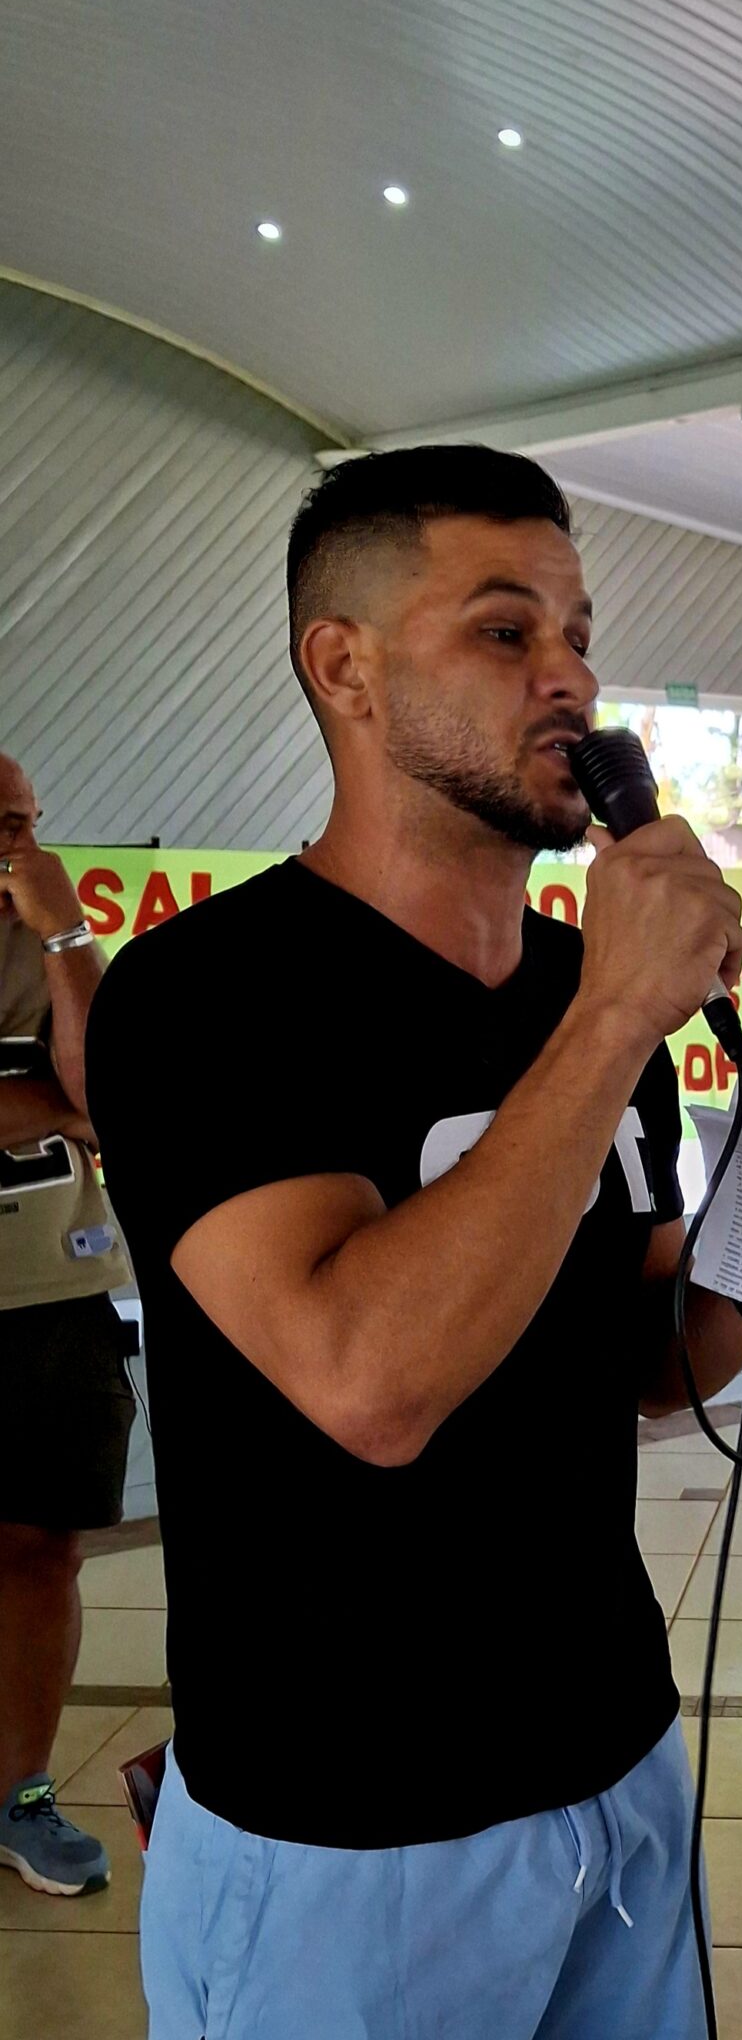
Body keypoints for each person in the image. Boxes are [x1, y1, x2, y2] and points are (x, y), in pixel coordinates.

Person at [84, 444, 742, 2040]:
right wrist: (617, 1016)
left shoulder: (580, 996)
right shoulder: (206, 997)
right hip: (349, 1827)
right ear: (343, 668)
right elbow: (369, 1383)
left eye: (580, 635)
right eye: (504, 631)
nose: (571, 679)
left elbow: (643, 1367)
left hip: (614, 1762)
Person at [0, 752, 135, 1899]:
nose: (24, 844)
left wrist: (65, 931)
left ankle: (22, 1792)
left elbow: (121, 1095)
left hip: (55, 1296)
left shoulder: (56, 946)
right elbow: (76, 1105)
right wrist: (56, 1108)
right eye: (3, 822)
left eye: (32, 820)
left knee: (43, 1547)